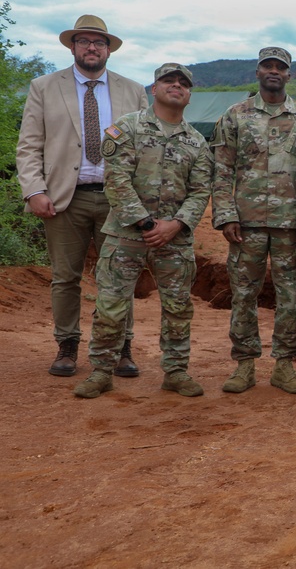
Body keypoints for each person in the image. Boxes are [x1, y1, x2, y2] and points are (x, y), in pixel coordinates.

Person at [16, 15, 147, 378]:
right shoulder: (44, 87)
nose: (92, 47)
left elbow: (146, 149)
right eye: (84, 41)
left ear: (109, 50)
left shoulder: (133, 91)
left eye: (99, 42)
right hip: (62, 199)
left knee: (119, 277)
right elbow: (29, 146)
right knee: (65, 277)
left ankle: (121, 348)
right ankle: (67, 346)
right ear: (72, 47)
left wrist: (143, 200)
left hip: (119, 200)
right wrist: (35, 191)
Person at [73, 63, 213, 399]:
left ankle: (176, 372)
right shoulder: (128, 127)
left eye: (183, 83)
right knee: (111, 305)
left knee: (178, 307)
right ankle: (101, 372)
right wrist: (146, 223)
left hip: (174, 239)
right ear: (154, 89)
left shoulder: (196, 142)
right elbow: (116, 179)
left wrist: (175, 225)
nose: (176, 86)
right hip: (126, 234)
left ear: (190, 95)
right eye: (168, 80)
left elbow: (200, 190)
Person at [211, 47, 296, 395]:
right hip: (246, 225)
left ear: (289, 74)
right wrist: (226, 214)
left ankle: (285, 366)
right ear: (257, 72)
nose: (273, 71)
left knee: (290, 296)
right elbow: (222, 168)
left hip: (291, 226)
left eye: (280, 67)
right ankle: (244, 366)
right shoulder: (235, 115)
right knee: (244, 294)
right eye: (267, 66)